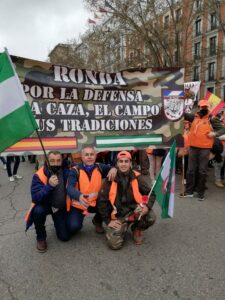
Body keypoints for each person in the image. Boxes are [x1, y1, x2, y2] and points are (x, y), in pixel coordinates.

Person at [97, 151, 156, 250]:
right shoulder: (111, 177)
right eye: (121, 161)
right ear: (117, 164)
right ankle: (121, 229)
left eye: (126, 161)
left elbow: (151, 193)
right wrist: (108, 221)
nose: (123, 164)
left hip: (134, 211)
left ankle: (137, 229)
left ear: (130, 163)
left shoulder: (138, 177)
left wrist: (147, 206)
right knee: (114, 245)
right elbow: (102, 201)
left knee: (151, 217)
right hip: (118, 214)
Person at [25, 151, 71, 253]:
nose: (55, 163)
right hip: (45, 205)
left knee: (64, 237)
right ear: (47, 161)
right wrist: (49, 186)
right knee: (37, 211)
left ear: (62, 160)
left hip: (58, 207)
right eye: (52, 161)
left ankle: (59, 225)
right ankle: (41, 237)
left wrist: (112, 167)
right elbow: (35, 198)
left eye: (58, 160)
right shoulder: (39, 175)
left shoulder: (66, 169)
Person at [66, 145, 117, 235]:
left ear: (95, 156)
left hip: (96, 203)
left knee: (111, 203)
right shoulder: (74, 170)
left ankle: (97, 221)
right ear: (82, 157)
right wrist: (79, 196)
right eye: (86, 155)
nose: (89, 157)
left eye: (92, 154)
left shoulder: (100, 167)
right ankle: (74, 221)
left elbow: (116, 167)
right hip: (80, 204)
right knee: (73, 227)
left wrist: (114, 168)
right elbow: (69, 188)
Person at [180, 99, 225, 200]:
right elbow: (181, 114)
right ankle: (189, 192)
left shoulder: (212, 119)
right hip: (193, 147)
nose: (203, 109)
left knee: (202, 170)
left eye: (205, 107)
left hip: (205, 149)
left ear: (208, 108)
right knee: (191, 170)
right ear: (198, 107)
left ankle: (200, 194)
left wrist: (215, 134)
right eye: (201, 107)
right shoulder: (193, 117)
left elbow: (223, 129)